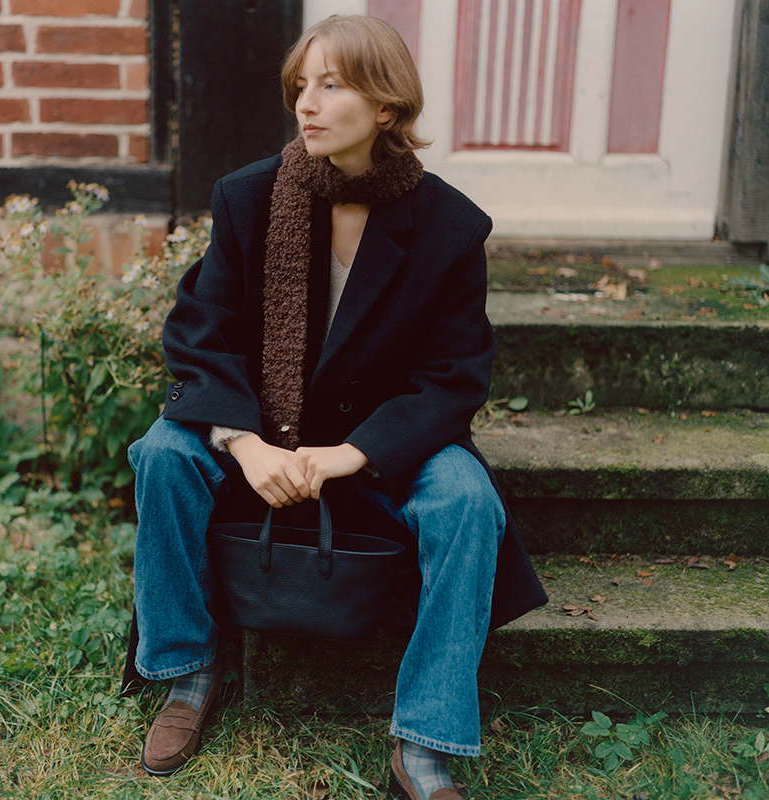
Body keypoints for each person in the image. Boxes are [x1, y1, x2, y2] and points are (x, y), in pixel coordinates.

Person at [124, 15, 547, 800]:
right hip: (262, 427)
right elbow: (200, 332)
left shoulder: (451, 227)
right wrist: (246, 443)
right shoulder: (250, 198)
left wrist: (355, 452)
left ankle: (424, 743)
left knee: (466, 500)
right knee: (161, 453)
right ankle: (188, 672)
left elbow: (454, 376)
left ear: (386, 106)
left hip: (380, 443)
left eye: (331, 85)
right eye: (301, 86)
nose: (306, 105)